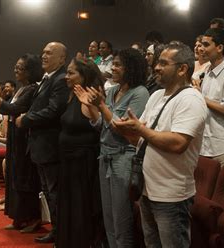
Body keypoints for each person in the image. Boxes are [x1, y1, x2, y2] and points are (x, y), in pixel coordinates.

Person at [113, 43, 208, 248]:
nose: (156, 67)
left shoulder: (191, 99)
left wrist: (139, 129)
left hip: (171, 195)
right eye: (157, 62)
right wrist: (125, 130)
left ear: (182, 69)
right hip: (148, 189)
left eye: (163, 63)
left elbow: (178, 143)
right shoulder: (156, 95)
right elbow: (142, 139)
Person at [74, 48, 150, 248]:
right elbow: (102, 124)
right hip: (105, 156)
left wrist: (102, 106)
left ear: (131, 68)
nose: (113, 68)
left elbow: (123, 128)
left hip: (124, 158)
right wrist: (90, 106)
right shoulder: (113, 91)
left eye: (118, 65)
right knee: (108, 218)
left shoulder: (140, 93)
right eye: (113, 64)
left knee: (121, 220)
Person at [0, 53, 45, 234]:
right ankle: (18, 217)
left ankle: (32, 218)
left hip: (24, 138)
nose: (16, 70)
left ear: (30, 71)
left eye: (20, 68)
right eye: (15, 66)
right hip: (15, 137)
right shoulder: (21, 89)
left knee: (24, 178)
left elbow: (11, 109)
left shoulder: (31, 89)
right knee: (14, 176)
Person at [16, 42, 69, 243]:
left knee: (55, 193)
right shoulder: (48, 79)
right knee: (48, 192)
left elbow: (54, 110)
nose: (44, 56)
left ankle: (61, 233)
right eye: (43, 52)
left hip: (50, 146)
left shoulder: (61, 79)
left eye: (49, 53)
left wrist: (26, 119)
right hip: (41, 145)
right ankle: (56, 230)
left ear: (62, 58)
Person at [55, 57, 105, 247]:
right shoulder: (73, 95)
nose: (65, 76)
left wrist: (92, 105)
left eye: (71, 73)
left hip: (83, 163)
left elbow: (101, 125)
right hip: (69, 161)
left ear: (84, 76)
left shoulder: (93, 94)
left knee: (80, 207)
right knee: (69, 205)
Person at [194, 28, 224, 167]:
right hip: (203, 144)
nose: (201, 48)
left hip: (221, 148)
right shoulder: (207, 71)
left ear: (220, 47)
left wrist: (200, 96)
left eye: (206, 45)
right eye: (201, 44)